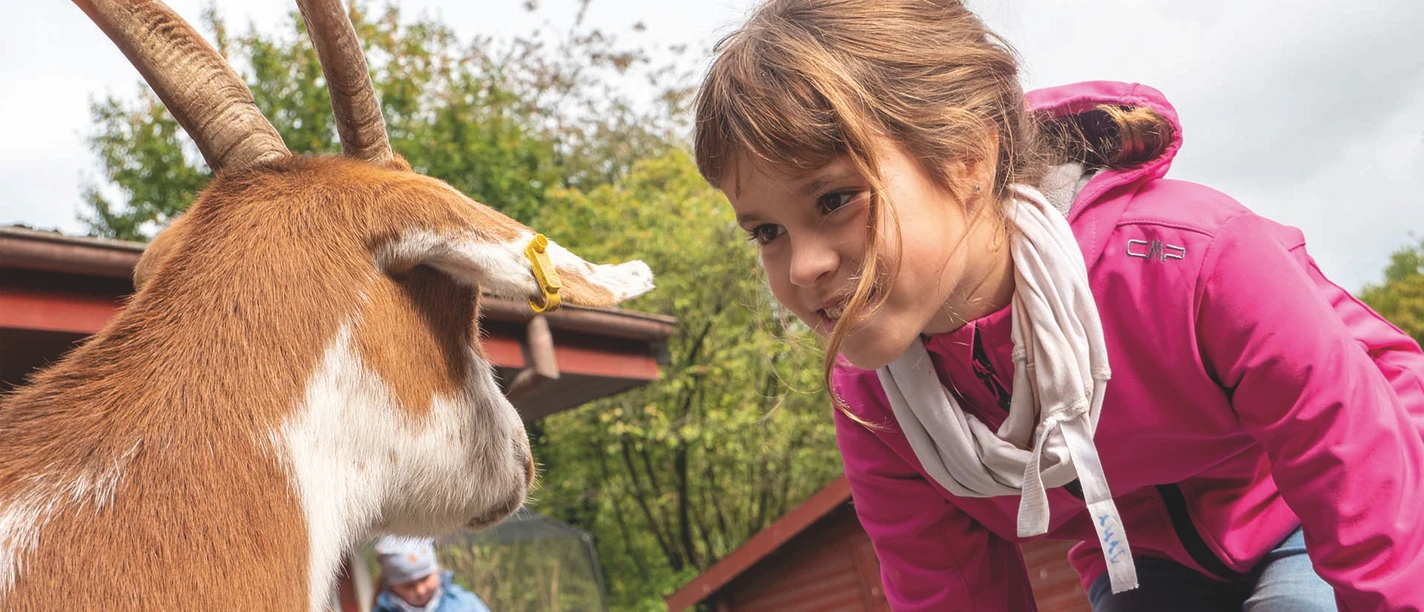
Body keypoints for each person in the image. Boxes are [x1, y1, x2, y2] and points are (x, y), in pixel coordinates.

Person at [691, 1, 1424, 610]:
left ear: (966, 156)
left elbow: (1355, 451)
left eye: (833, 200)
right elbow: (950, 591)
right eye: (767, 232)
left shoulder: (1187, 260)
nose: (804, 265)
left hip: (1346, 500)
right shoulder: (878, 404)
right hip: (1142, 562)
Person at [373, 536, 491, 612]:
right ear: (392, 587)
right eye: (408, 586)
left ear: (436, 571)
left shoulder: (464, 603)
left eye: (424, 579)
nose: (420, 591)